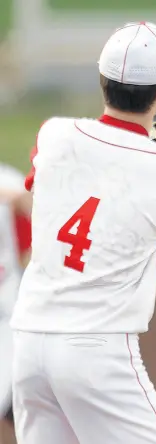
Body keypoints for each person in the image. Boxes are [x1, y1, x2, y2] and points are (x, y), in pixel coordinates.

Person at [9, 21, 156, 444]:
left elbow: (55, 188)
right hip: (96, 351)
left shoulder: (54, 135)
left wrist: (149, 159)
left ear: (103, 80)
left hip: (28, 346)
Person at [0, 164, 32, 444]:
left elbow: (41, 219)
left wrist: (19, 198)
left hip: (9, 320)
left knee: (32, 411)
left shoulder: (7, 180)